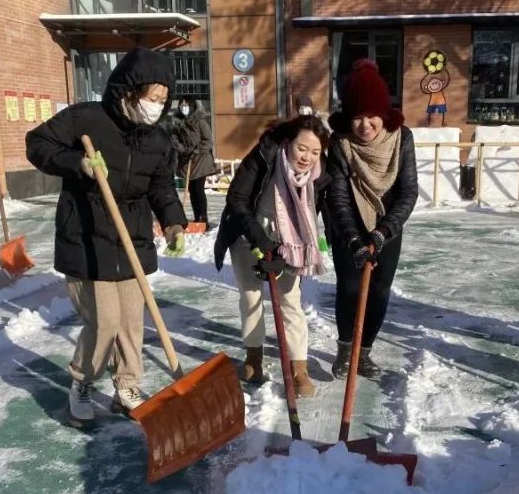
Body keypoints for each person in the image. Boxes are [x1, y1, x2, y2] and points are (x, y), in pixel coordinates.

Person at [25, 48, 188, 428]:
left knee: (132, 322)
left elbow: (162, 188)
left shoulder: (158, 140)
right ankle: (82, 382)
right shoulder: (86, 118)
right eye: (151, 97)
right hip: (86, 236)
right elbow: (37, 144)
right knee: (104, 322)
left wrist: (174, 223)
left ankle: (127, 386)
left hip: (131, 237)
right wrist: (77, 164)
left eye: (163, 100)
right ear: (127, 91)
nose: (157, 107)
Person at [213, 116, 331, 396]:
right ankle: (253, 357)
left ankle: (298, 368)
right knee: (251, 297)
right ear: (289, 142)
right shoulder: (265, 156)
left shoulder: (319, 173)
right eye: (303, 149)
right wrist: (262, 242)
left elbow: (318, 212)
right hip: (247, 231)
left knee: (290, 300)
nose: (307, 157)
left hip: (291, 241)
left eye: (315, 152)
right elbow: (237, 199)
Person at [325, 59, 418, 379]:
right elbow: (336, 195)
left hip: (386, 227)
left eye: (371, 115)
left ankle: (363, 354)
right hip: (347, 225)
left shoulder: (402, 139)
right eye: (357, 117)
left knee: (379, 291)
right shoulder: (339, 143)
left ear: (383, 113)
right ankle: (344, 352)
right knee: (350, 287)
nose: (365, 124)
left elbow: (408, 192)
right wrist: (353, 238)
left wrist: (383, 233)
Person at [172, 97, 215, 226]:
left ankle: (203, 218)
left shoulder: (200, 122)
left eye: (186, 105)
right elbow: (175, 139)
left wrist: (196, 150)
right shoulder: (178, 123)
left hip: (201, 160)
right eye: (181, 105)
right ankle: (197, 217)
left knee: (198, 189)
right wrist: (181, 148)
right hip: (188, 160)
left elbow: (208, 141)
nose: (183, 107)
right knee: (191, 189)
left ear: (192, 106)